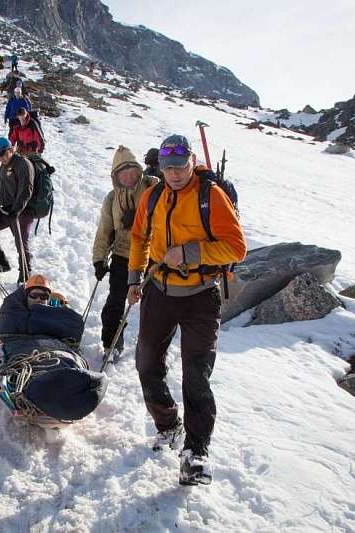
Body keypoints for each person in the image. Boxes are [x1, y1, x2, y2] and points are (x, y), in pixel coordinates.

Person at [127, 134, 246, 485]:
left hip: (201, 297)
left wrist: (191, 253)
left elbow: (236, 248)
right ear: (160, 168)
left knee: (195, 376)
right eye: (168, 168)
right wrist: (135, 278)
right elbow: (139, 238)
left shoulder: (212, 197)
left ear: (191, 162)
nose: (175, 174)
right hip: (159, 292)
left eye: (180, 166)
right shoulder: (153, 197)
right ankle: (168, 424)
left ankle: (196, 452)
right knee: (147, 364)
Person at [0, 275, 107, 422]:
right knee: (26, 371)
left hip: (56, 348)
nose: (39, 299)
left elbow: (72, 330)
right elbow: (6, 327)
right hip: (22, 349)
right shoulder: (14, 313)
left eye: (44, 296)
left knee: (66, 361)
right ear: (25, 297)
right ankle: (45, 392)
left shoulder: (56, 316)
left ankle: (72, 386)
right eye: (34, 295)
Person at [92, 146, 159, 358]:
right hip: (122, 255)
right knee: (115, 302)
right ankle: (111, 346)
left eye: (132, 172)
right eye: (124, 174)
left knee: (154, 307)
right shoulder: (112, 199)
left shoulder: (152, 187)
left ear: (140, 171)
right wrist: (99, 259)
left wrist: (140, 215)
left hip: (151, 255)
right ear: (116, 176)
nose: (129, 177)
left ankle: (154, 351)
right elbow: (104, 230)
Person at [0, 137, 35, 282]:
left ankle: (25, 277)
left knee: (20, 243)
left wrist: (16, 211)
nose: (0, 158)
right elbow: (6, 188)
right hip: (7, 210)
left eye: (3, 154)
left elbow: (26, 190)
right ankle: (0, 261)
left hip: (23, 211)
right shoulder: (4, 166)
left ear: (10, 150)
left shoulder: (23, 164)